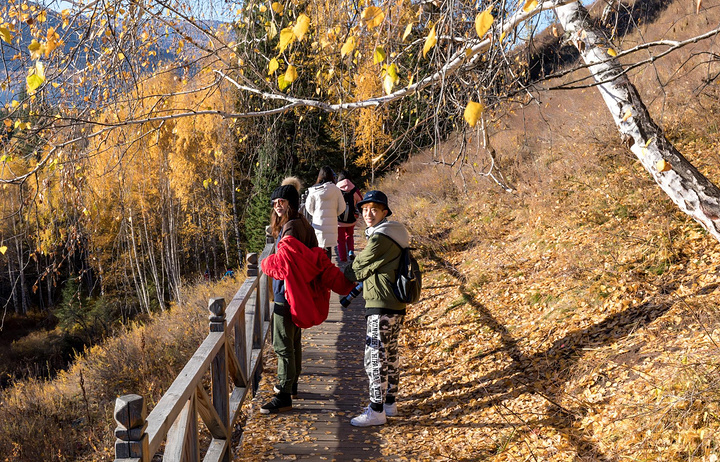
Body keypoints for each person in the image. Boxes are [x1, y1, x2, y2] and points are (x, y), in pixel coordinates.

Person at [260, 178, 355, 414]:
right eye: (274, 203)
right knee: (293, 341)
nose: (277, 206)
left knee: (283, 345)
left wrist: (264, 263)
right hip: (299, 292)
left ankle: (283, 393)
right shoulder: (303, 223)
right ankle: (291, 385)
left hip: (286, 292)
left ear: (291, 203)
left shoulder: (290, 227)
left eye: (281, 202)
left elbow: (283, 263)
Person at [342, 190, 410, 427]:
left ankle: (376, 409)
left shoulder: (381, 238)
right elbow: (366, 268)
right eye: (365, 209)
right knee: (389, 354)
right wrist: (361, 270)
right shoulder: (393, 235)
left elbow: (355, 269)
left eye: (374, 209)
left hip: (380, 304)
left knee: (374, 357)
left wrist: (353, 270)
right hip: (395, 304)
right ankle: (389, 403)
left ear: (384, 212)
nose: (368, 214)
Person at [305, 166, 346, 259]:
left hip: (317, 224)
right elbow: (342, 207)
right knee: (328, 249)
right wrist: (334, 214)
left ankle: (319, 270)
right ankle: (328, 270)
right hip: (331, 225)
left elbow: (309, 208)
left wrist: (316, 214)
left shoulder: (313, 191)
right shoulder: (336, 190)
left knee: (317, 249)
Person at [336, 170, 363, 263]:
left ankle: (343, 258)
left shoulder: (336, 190)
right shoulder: (355, 190)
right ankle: (351, 251)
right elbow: (360, 202)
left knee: (340, 240)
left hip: (339, 221)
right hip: (351, 219)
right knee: (350, 235)